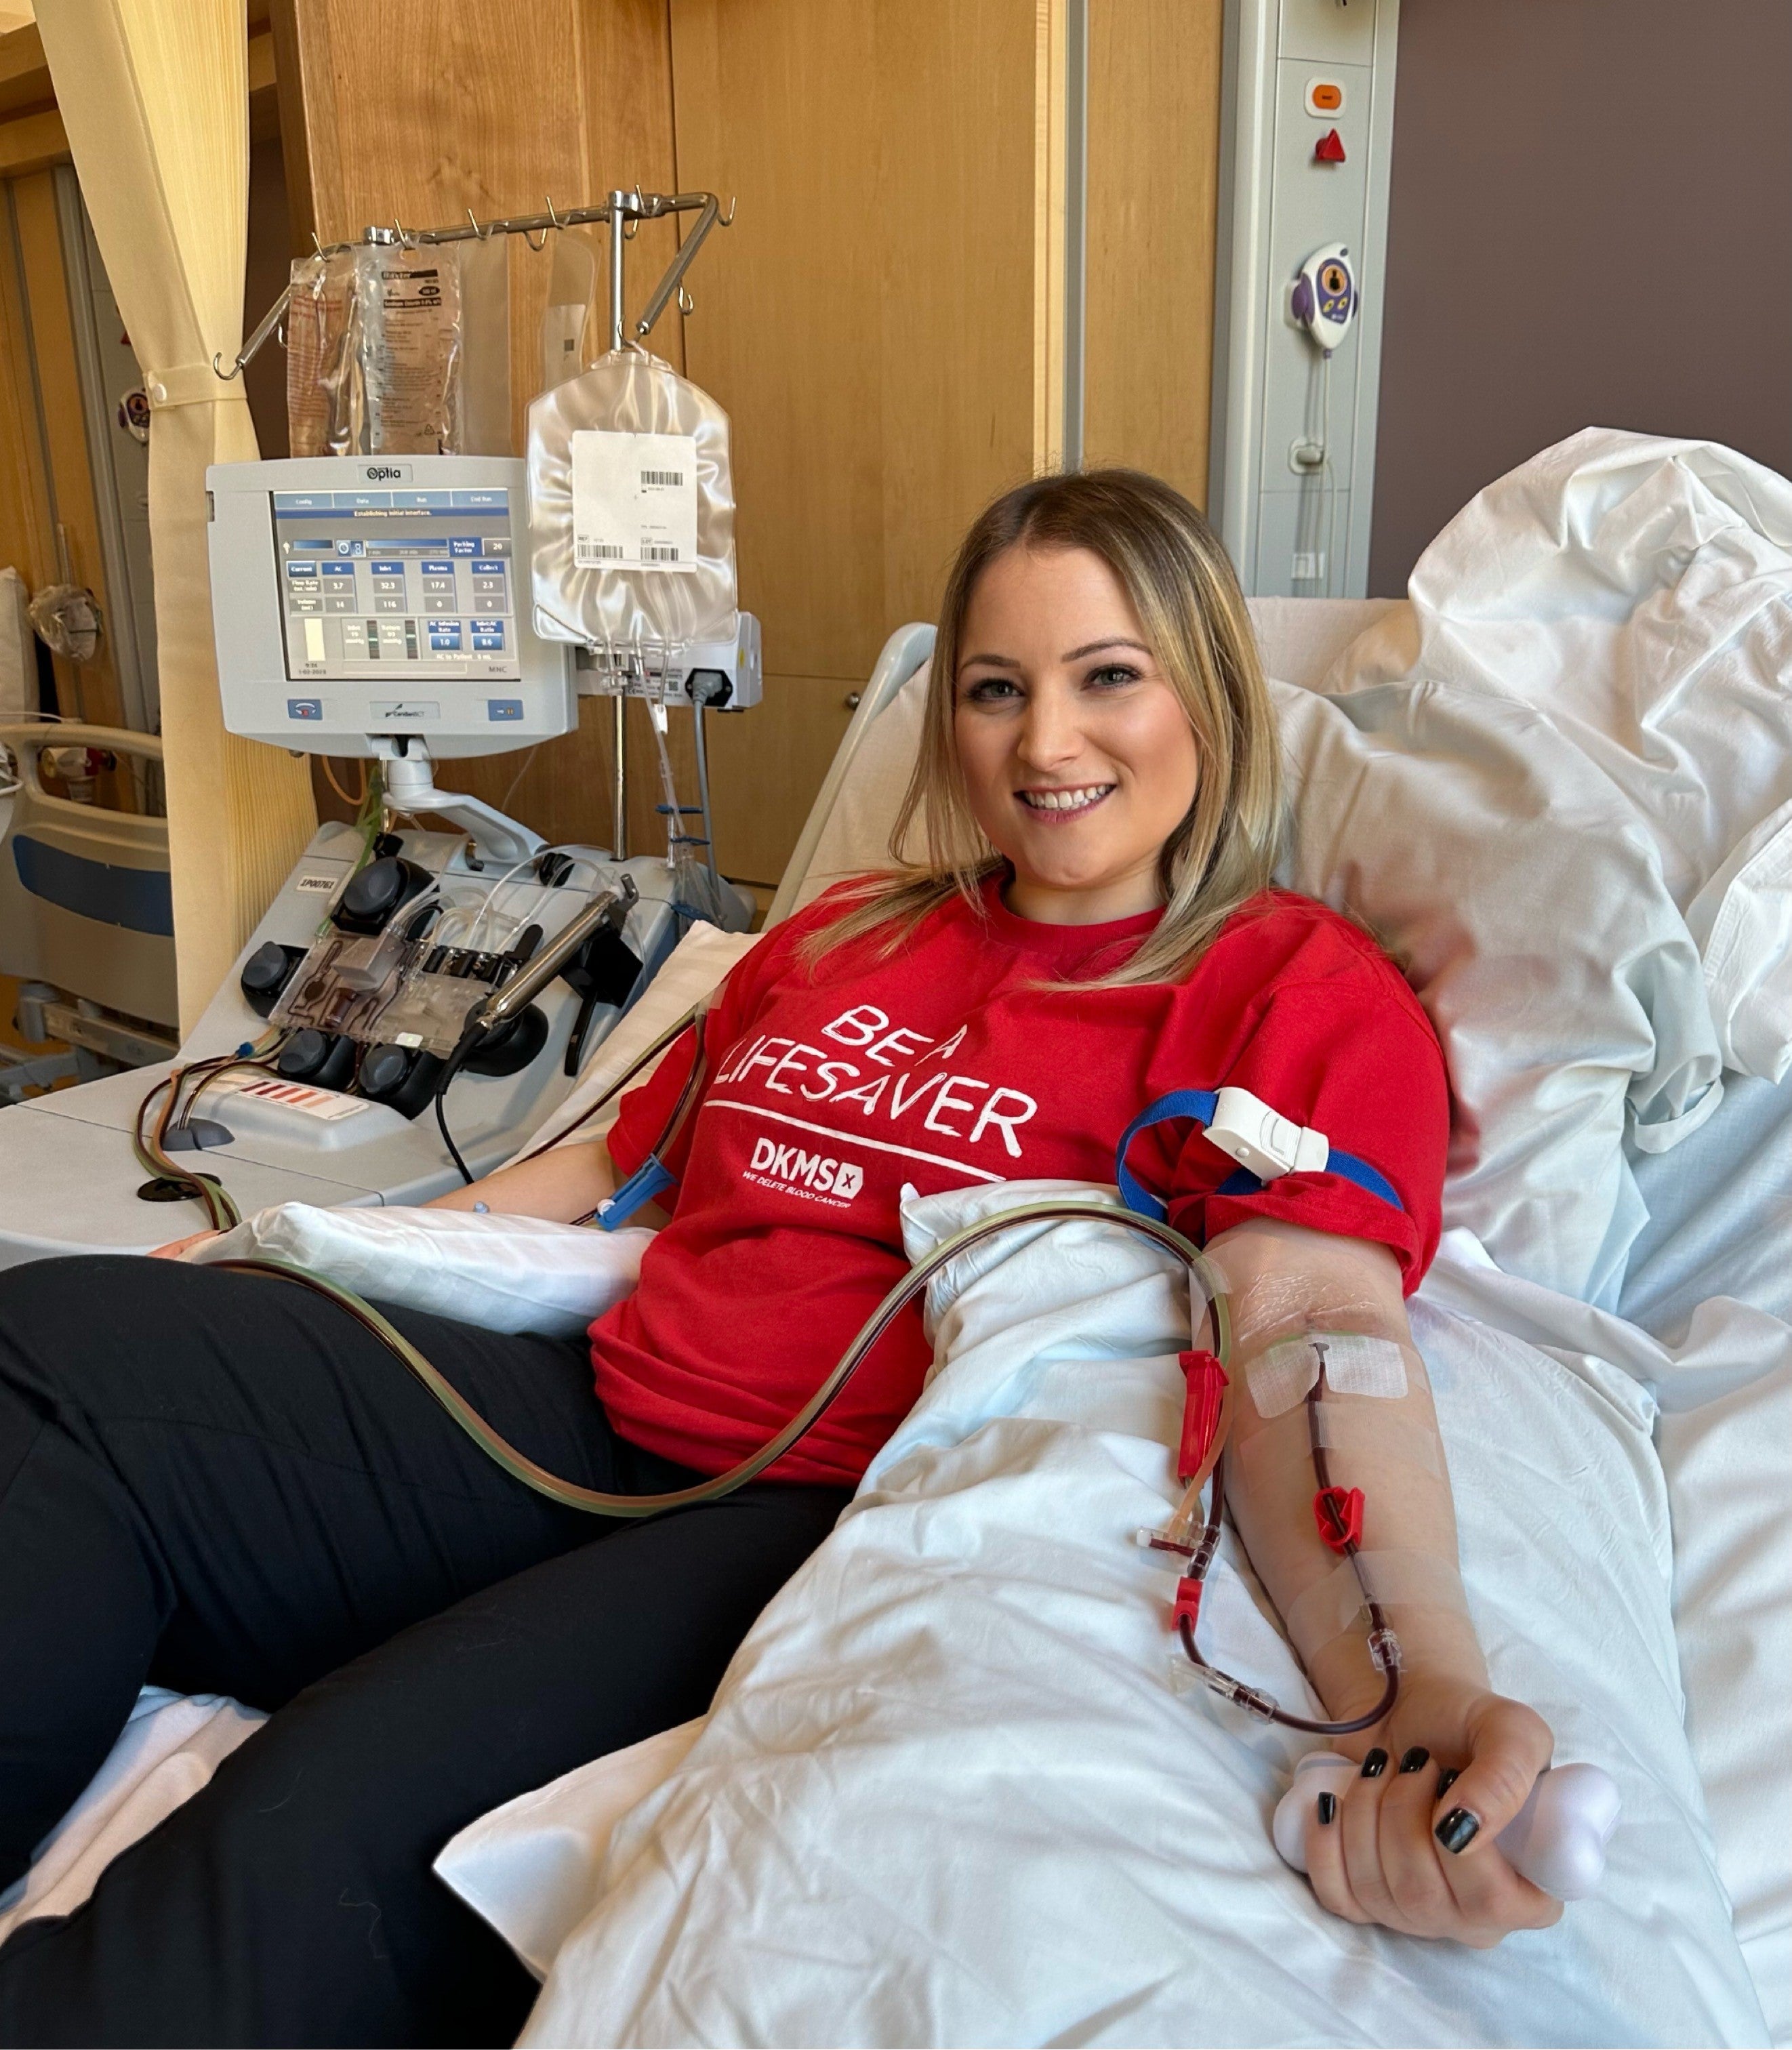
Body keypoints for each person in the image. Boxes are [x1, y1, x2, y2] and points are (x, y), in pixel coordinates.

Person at [0, 470, 1557, 2047]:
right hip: (578, 1416)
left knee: (310, 1826)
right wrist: (311, 1269)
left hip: (823, 1521)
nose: (1045, 745)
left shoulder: (1285, 987)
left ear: (1207, 698)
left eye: (1107, 678)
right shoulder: (842, 937)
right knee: (59, 1353)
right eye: (994, 690)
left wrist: (1407, 1678)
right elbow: (608, 1173)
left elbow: (1310, 1326)